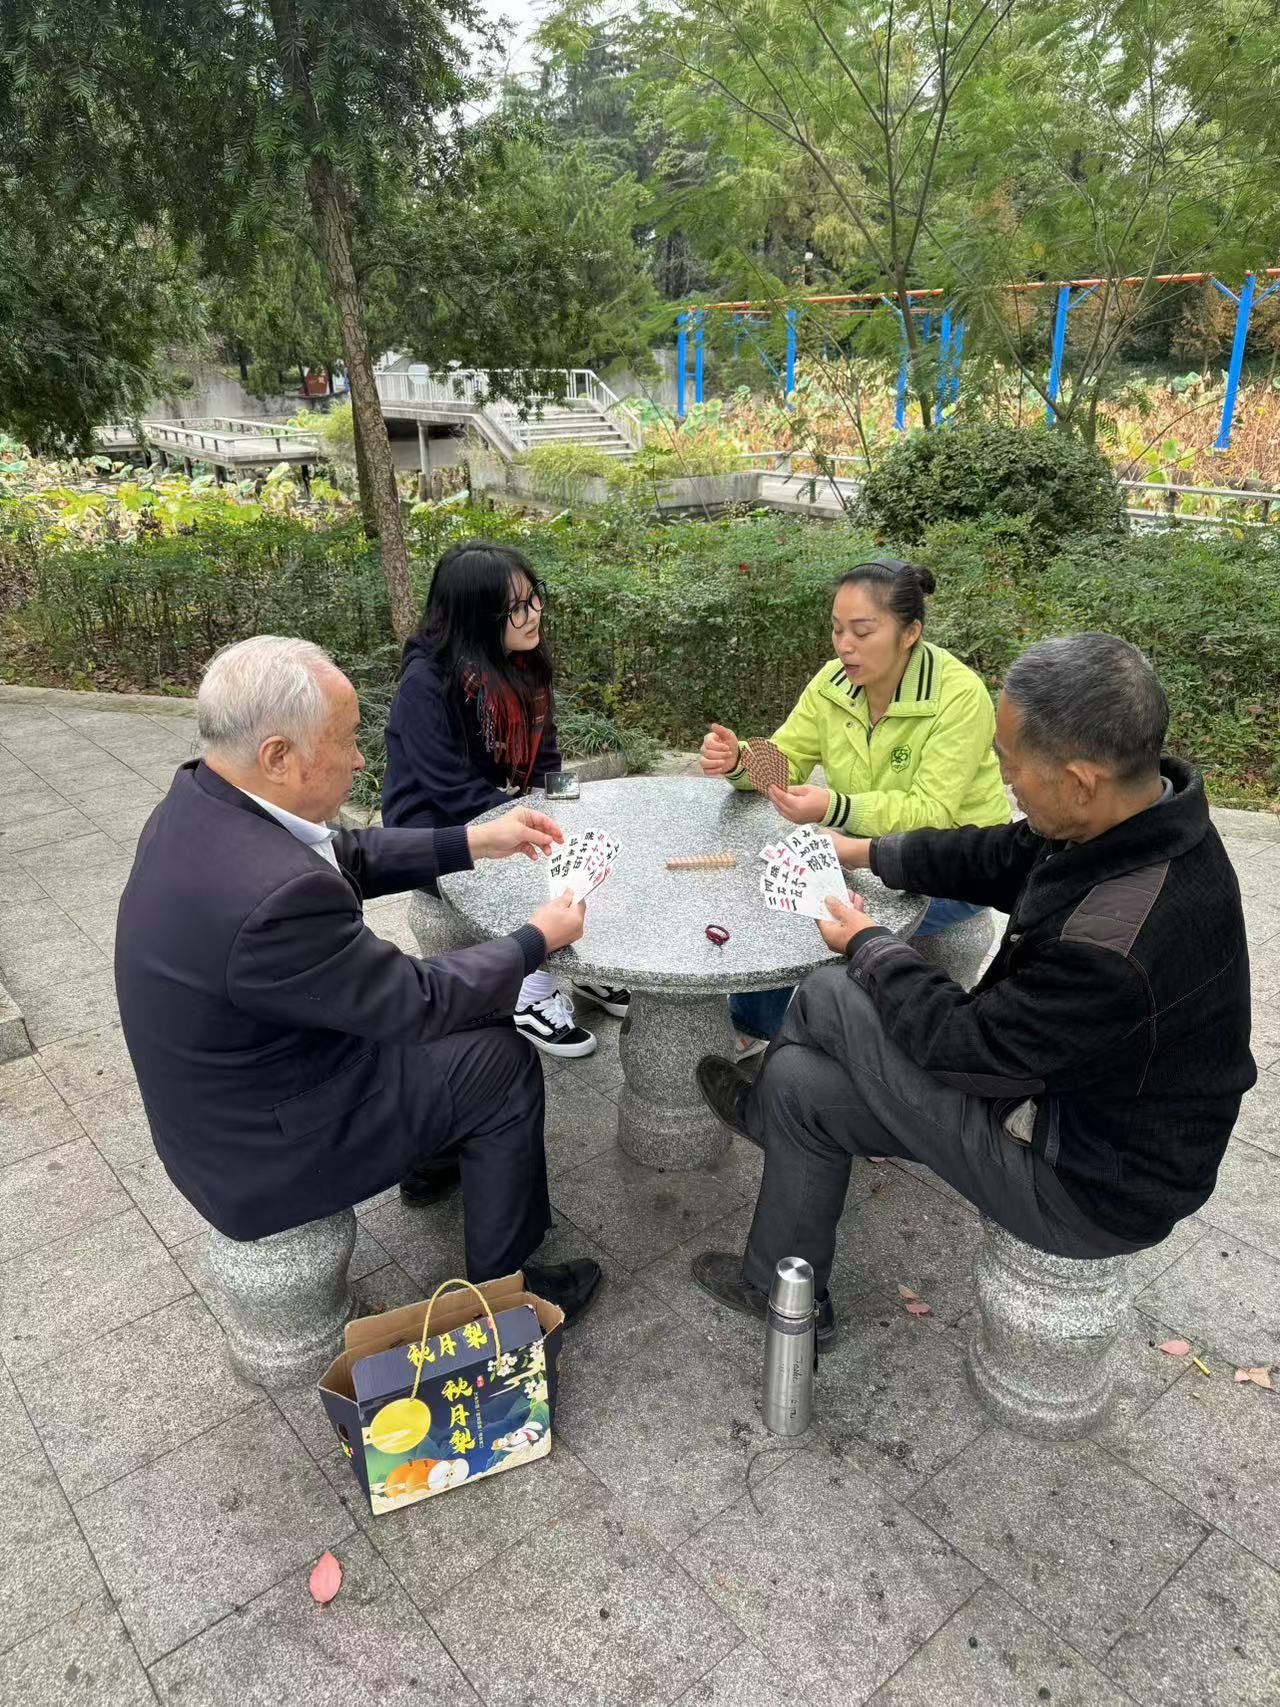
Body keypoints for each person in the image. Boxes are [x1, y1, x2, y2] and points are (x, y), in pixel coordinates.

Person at [691, 633, 1255, 1349]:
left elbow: (966, 1047)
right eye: (837, 627)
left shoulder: (1117, 941)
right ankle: (784, 1286)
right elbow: (1000, 852)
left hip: (1086, 1176)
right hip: (1054, 1086)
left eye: (1011, 763)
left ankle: (764, 1109)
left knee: (832, 991)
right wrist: (849, 840)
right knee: (800, 1083)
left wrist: (869, 941)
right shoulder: (1138, 818)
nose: (845, 644)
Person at [114, 635, 601, 1323]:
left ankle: (433, 1160)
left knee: (484, 1003)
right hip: (264, 1146)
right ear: (278, 756)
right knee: (501, 1060)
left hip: (235, 1095)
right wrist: (536, 937)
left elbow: (343, 851)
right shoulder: (272, 896)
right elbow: (417, 1002)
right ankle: (501, 1295)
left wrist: (474, 840)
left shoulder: (203, 798)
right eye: (345, 739)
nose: (361, 757)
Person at [701, 558, 1009, 1049]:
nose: (845, 645)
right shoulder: (833, 682)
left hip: (954, 862)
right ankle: (756, 1027)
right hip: (860, 850)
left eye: (863, 632)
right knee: (777, 886)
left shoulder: (959, 695)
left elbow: (931, 812)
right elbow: (786, 760)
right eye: (837, 629)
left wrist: (834, 807)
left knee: (817, 909)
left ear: (910, 633)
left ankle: (807, 1037)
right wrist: (738, 760)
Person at [382, 540, 629, 1060]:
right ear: (477, 615)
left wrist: (568, 804)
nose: (533, 613)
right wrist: (525, 827)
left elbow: (547, 759)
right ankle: (530, 995)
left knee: (592, 845)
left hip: (495, 808)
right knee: (539, 866)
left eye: (534, 597)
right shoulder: (426, 684)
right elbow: (450, 788)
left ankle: (588, 967)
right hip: (434, 829)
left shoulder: (523, 666)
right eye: (516, 607)